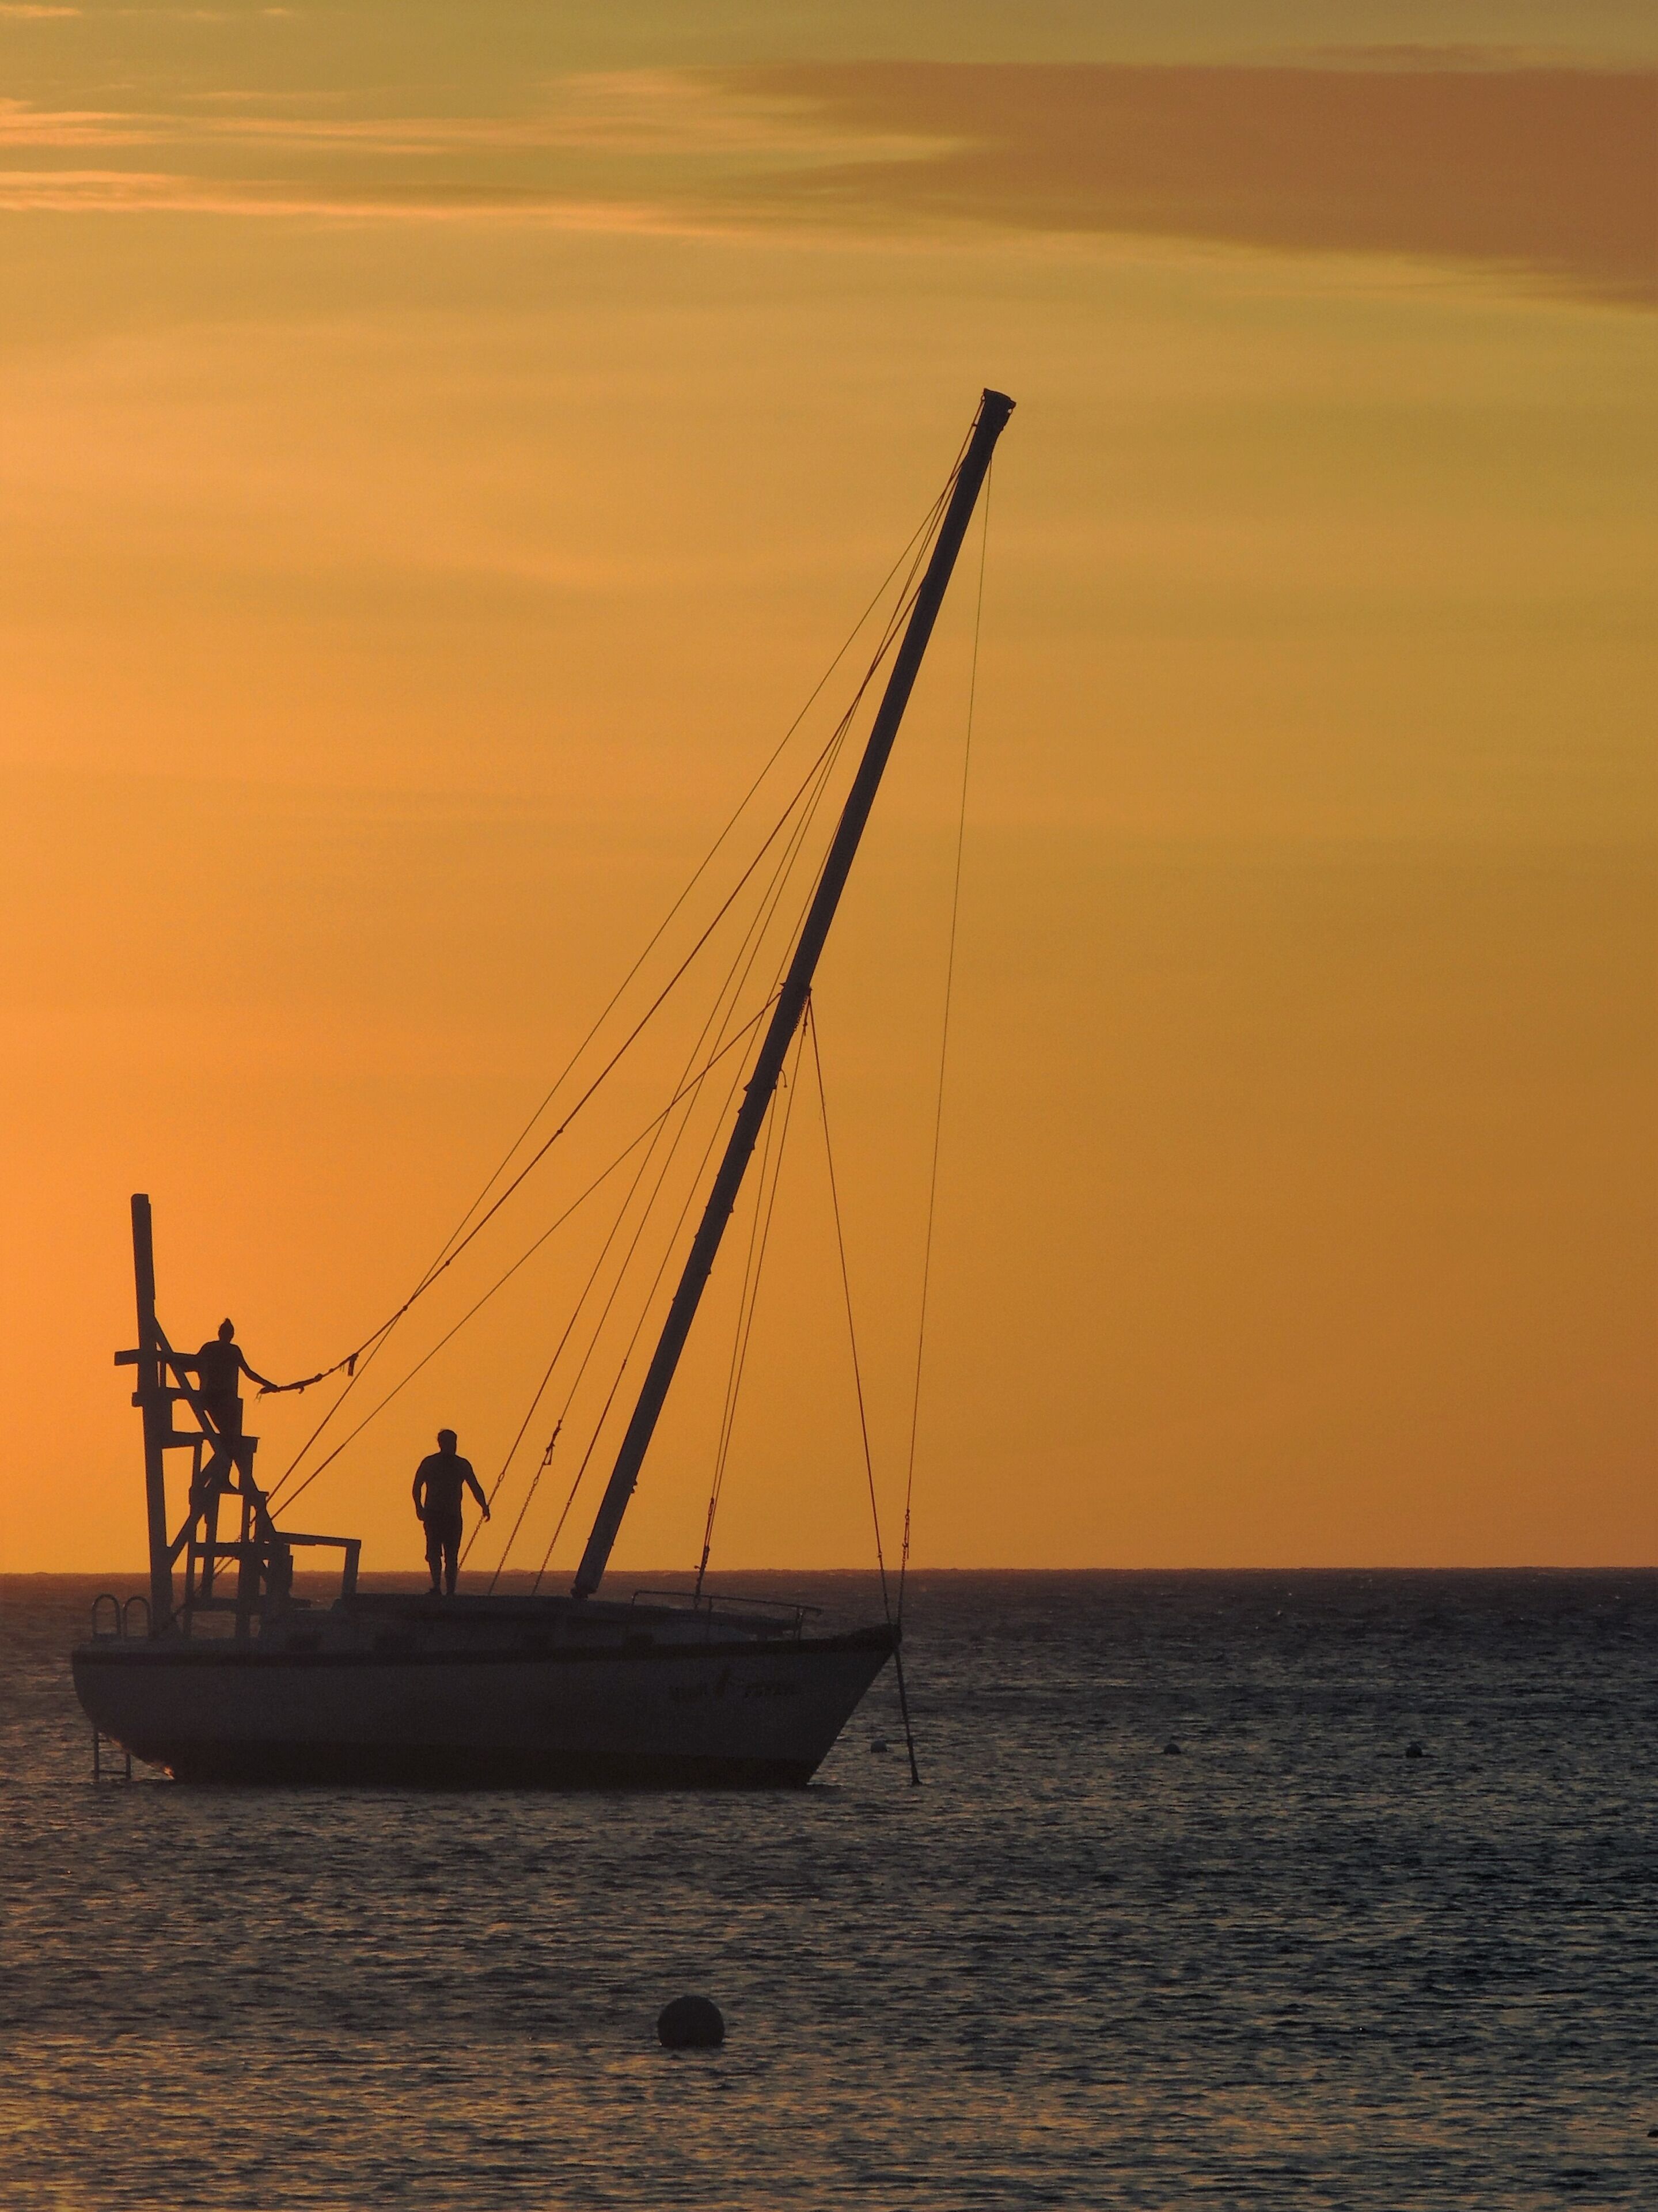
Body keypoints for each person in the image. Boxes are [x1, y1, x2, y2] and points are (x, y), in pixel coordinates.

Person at [412, 1429, 490, 1597]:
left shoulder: (462, 1464)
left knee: (452, 1555)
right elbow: (417, 1486)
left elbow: (474, 1486)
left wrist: (484, 1505)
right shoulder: (430, 1463)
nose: (452, 1446)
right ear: (441, 1444)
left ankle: (451, 1591)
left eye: (454, 1443)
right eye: (448, 1443)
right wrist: (419, 1507)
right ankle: (436, 1587)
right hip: (433, 1515)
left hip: (453, 1516)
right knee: (433, 1553)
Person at [192, 1319, 282, 1448]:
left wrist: (269, 1385)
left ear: (220, 1333)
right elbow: (249, 1373)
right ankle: (227, 1450)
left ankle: (226, 1450)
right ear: (231, 1335)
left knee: (226, 1433)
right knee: (227, 1435)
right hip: (222, 1398)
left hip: (213, 1396)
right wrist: (269, 1384)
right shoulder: (230, 1350)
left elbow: (193, 1364)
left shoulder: (210, 1348)